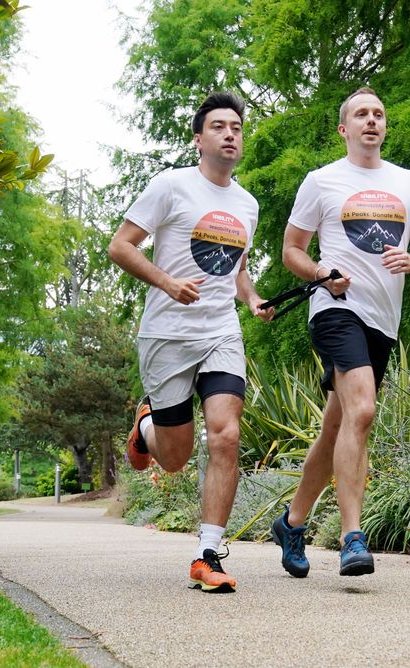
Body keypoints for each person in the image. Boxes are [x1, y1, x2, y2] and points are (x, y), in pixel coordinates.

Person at [270, 87, 410, 577]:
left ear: (385, 127)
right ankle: (352, 538)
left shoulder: (409, 183)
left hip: (382, 320)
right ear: (344, 129)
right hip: (335, 308)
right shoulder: (322, 181)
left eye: (379, 114)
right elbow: (292, 250)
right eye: (361, 114)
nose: (371, 120)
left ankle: (291, 523)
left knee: (337, 425)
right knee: (363, 409)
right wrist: (321, 273)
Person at [108, 91, 273, 593]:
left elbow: (237, 270)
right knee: (176, 458)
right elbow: (120, 246)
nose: (230, 134)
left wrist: (252, 298)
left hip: (220, 331)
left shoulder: (247, 204)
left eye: (236, 128)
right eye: (219, 126)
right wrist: (167, 283)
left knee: (225, 434)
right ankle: (146, 426)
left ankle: (208, 554)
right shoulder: (171, 186)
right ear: (199, 139)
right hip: (167, 334)